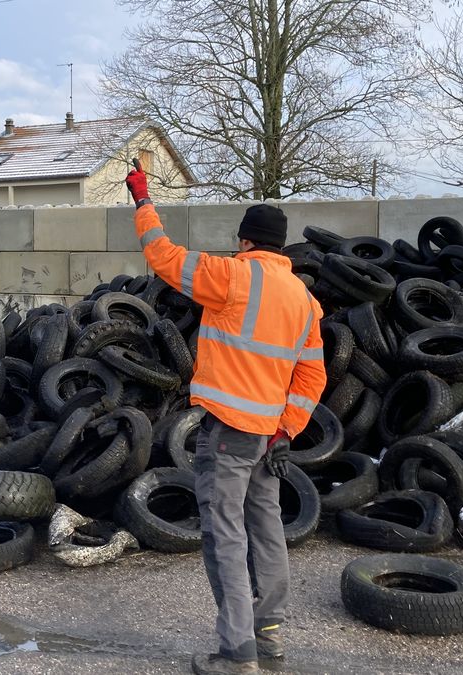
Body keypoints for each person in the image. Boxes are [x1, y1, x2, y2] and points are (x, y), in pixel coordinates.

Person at [125, 167, 327, 674]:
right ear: (281, 248)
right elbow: (311, 379)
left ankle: (237, 653)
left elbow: (163, 257)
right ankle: (269, 635)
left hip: (228, 432)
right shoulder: (304, 301)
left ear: (244, 240)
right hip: (268, 437)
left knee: (225, 536)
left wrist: (144, 200)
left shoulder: (232, 276)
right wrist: (285, 431)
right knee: (266, 529)